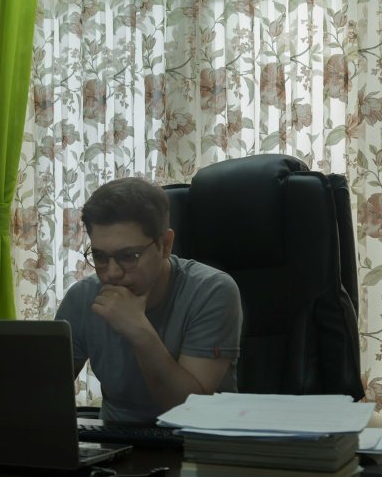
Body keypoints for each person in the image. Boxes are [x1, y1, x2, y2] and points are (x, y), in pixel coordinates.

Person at [56, 177, 242, 423]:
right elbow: (41, 391)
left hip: (197, 439)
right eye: (100, 256)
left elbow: (190, 411)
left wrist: (138, 330)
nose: (112, 273)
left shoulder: (212, 291)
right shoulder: (82, 298)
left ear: (165, 245)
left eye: (129, 256)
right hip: (115, 438)